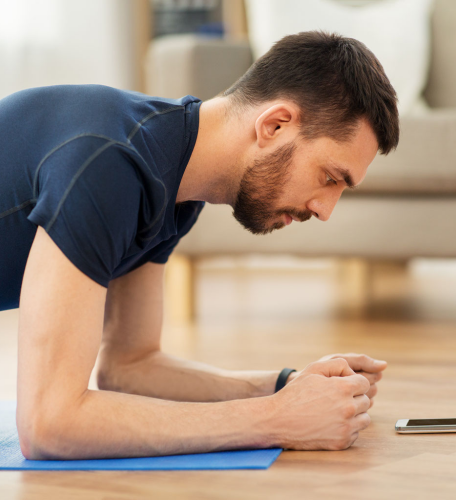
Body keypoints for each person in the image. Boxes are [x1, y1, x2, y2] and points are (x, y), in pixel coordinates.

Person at [0, 31, 399, 460]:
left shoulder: (175, 181)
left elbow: (130, 366)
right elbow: (49, 424)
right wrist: (275, 418)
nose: (326, 210)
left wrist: (286, 385)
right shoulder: (110, 164)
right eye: (330, 177)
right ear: (274, 125)